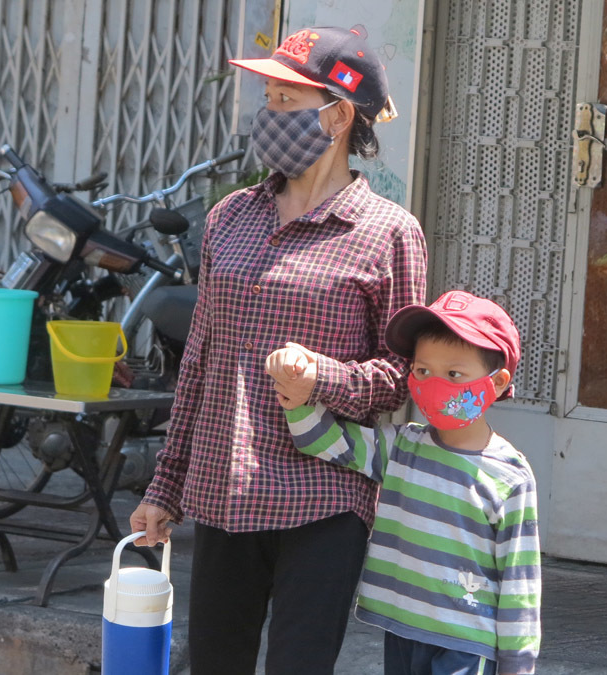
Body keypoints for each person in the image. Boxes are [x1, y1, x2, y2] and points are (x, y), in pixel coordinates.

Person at [129, 25, 427, 675]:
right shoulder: (230, 216)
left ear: (339, 113)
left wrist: (324, 377)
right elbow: (201, 360)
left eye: (285, 100)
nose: (269, 115)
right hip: (224, 487)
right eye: (268, 98)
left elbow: (403, 377)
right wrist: (166, 487)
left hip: (324, 496)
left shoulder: (389, 234)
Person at [267, 290, 541, 675]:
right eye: (422, 371)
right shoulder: (401, 446)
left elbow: (520, 581)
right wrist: (295, 393)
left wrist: (517, 666)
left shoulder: (510, 476)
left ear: (496, 384)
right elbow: (325, 441)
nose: (433, 384)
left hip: (466, 644)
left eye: (454, 374)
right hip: (402, 630)